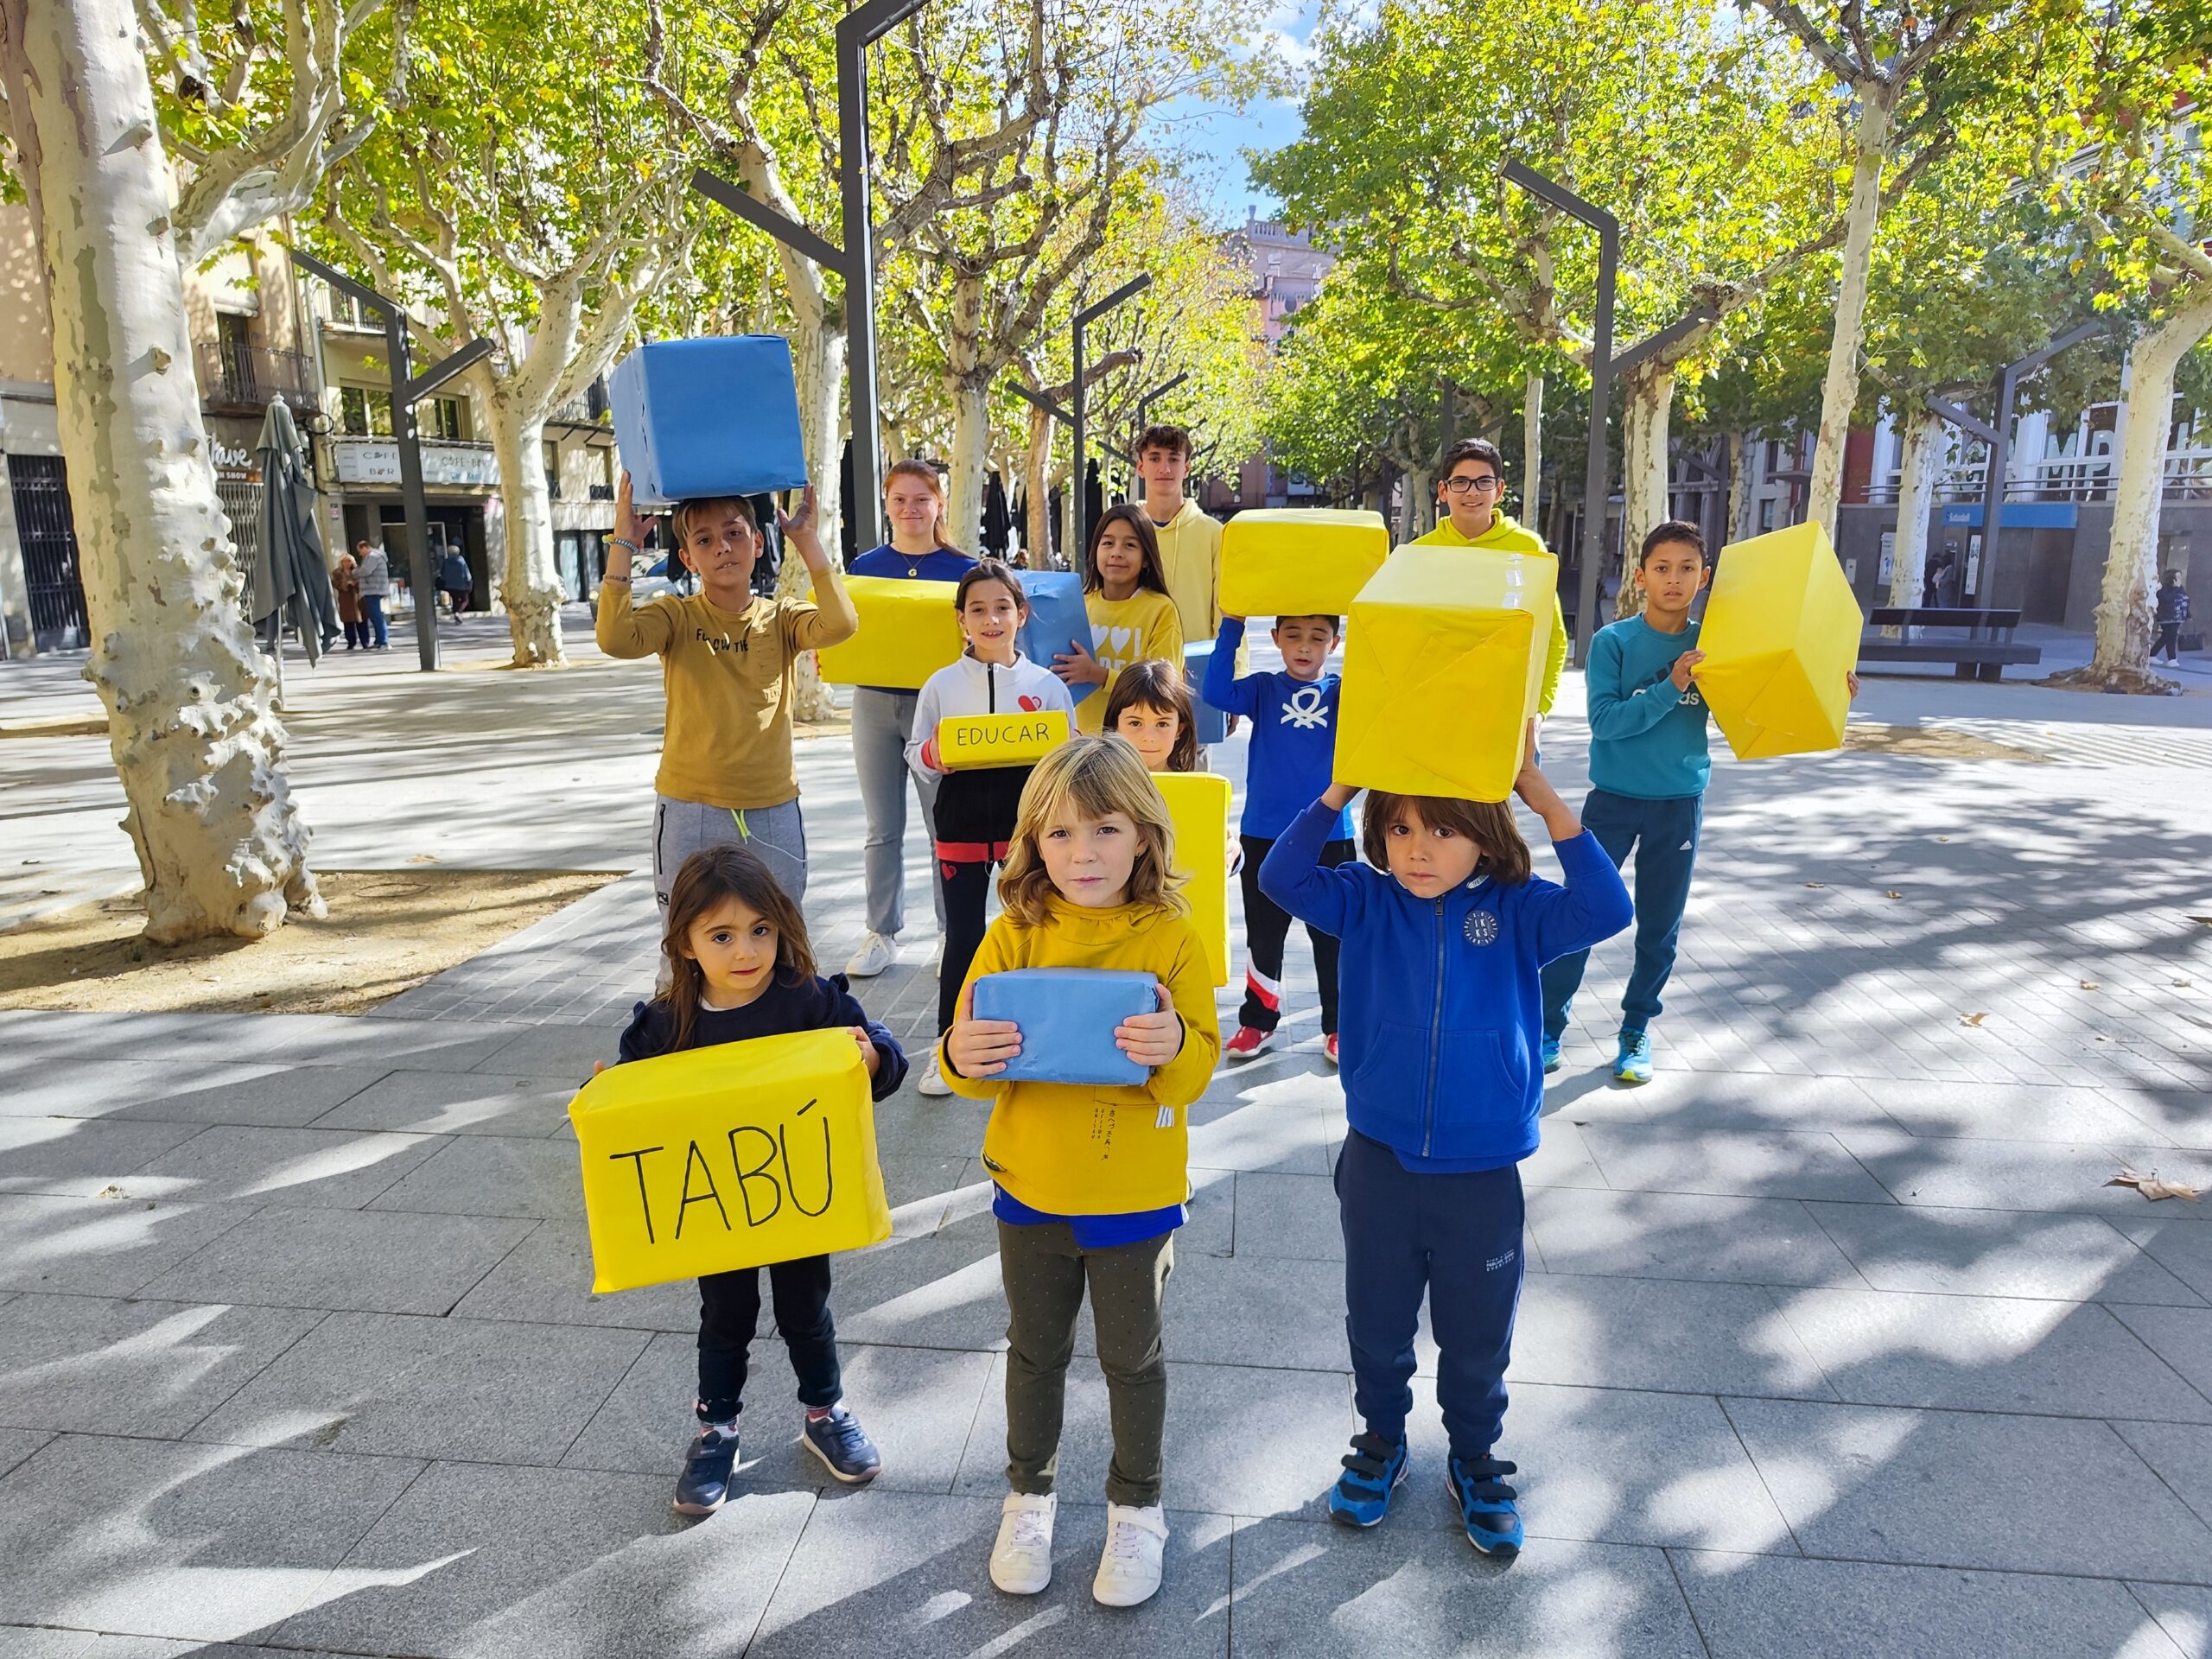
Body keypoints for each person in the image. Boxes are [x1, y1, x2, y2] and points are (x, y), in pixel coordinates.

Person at [1260, 760, 1631, 1560]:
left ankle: (1474, 1457)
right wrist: (1339, 788)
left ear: (1487, 838)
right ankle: (1381, 1440)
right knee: (1379, 1319)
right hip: (1381, 1161)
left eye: (1443, 828)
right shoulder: (1363, 900)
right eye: (1399, 829)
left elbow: (1608, 907)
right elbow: (1280, 875)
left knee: (1476, 1332)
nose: (1417, 849)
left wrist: (1534, 788)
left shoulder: (1520, 909)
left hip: (1482, 1171)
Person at [940, 738, 1220, 1608]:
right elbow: (961, 1053)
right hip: (1029, 1188)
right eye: (1058, 834)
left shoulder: (1173, 936)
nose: (1082, 852)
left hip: (1134, 1198)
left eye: (1103, 828)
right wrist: (960, 1052)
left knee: (1131, 1360)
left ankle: (1137, 1509)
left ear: (1143, 834)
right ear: (1032, 843)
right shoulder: (1012, 933)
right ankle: (1029, 1494)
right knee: (1033, 1350)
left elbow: (1199, 1060)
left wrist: (1175, 1045)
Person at [610, 845, 904, 1515]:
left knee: (807, 1309)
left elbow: (883, 1058)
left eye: (760, 930)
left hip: (799, 1200)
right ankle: (716, 1430)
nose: (746, 951)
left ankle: (825, 1411)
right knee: (725, 1316)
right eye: (721, 935)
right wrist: (606, 1100)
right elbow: (626, 1100)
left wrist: (872, 1057)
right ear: (684, 943)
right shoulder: (666, 1025)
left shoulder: (806, 1000)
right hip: (716, 1210)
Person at [1538, 521, 1858, 1084]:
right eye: (1662, 568)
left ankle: (1636, 1032)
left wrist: (1830, 687)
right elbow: (1605, 723)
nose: (1674, 579)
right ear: (1640, 577)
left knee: (1660, 928)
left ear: (1705, 578)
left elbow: (1768, 711)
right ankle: (1546, 1028)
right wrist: (1673, 685)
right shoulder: (1613, 643)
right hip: (1610, 802)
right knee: (1578, 916)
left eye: (1687, 569)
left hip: (1678, 805)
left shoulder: (1722, 645)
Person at [597, 471, 857, 909]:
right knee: (685, 939)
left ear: (757, 543)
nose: (722, 547)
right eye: (704, 540)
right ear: (687, 557)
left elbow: (842, 624)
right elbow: (615, 639)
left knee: (783, 929)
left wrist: (807, 542)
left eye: (734, 533)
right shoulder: (674, 616)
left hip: (773, 803)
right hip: (690, 806)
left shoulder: (782, 618)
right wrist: (623, 543)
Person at [904, 561, 1076, 1096]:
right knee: (964, 937)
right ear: (962, 620)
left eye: (1002, 607)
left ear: (1021, 615)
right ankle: (947, 1048)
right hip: (959, 827)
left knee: (1035, 930)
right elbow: (916, 753)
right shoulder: (940, 685)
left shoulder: (1046, 685)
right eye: (977, 609)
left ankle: (1038, 1041)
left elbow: (1070, 755)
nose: (991, 619)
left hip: (1029, 832)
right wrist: (935, 753)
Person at [843, 461, 976, 980]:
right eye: (899, 500)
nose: (910, 509)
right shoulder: (865, 566)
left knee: (942, 824)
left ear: (939, 503)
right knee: (882, 827)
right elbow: (844, 631)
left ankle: (953, 932)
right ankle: (881, 933)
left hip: (938, 707)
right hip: (874, 704)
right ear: (887, 504)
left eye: (921, 499)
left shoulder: (962, 568)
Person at [1204, 611, 1356, 1064]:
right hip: (1265, 833)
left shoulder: (1344, 691)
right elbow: (1215, 692)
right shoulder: (1263, 689)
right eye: (1292, 636)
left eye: (1317, 637)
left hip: (1329, 832)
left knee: (1332, 934)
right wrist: (1232, 625)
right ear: (1275, 638)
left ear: (1334, 642)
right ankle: (1257, 1022)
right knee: (1264, 934)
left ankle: (1339, 1026)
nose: (1304, 646)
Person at [1410, 439, 1567, 724]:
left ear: (1499, 490)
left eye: (1483, 482)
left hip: (1510, 714)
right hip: (1438, 713)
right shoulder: (1419, 553)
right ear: (1443, 491)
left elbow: (1552, 635)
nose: (1472, 491)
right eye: (1461, 482)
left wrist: (1539, 710)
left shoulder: (1527, 548)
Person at [1053, 505, 1182, 735]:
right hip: (1080, 742)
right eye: (1108, 543)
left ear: (1146, 558)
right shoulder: (1078, 604)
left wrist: (1098, 675)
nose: (1117, 553)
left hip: (1136, 747)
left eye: (1130, 545)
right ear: (1095, 551)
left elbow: (1163, 687)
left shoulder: (1161, 610)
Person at [1103, 658, 1199, 773]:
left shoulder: (1195, 788)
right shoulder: (1092, 788)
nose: (1149, 737)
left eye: (1162, 724)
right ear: (1115, 726)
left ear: (1179, 730)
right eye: (1135, 723)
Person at [353, 539, 391, 651]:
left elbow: (366, 571)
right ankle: (379, 641)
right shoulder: (374, 556)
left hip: (373, 589)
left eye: (360, 551)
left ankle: (383, 641)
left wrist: (355, 572)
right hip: (374, 589)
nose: (360, 554)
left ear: (365, 547)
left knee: (377, 616)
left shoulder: (373, 556)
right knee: (375, 616)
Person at [332, 548, 367, 651]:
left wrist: (356, 583)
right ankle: (351, 642)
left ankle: (365, 641)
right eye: (344, 561)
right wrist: (346, 584)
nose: (346, 563)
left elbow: (364, 581)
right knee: (348, 623)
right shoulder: (337, 573)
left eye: (348, 561)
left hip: (358, 598)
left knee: (362, 621)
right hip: (346, 599)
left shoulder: (358, 571)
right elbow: (335, 583)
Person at [2156, 569, 2190, 664]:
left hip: (2177, 617)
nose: (2180, 580)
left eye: (2180, 577)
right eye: (2177, 577)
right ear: (2172, 579)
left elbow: (2185, 601)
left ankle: (2152, 654)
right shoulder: (2164, 590)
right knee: (2171, 637)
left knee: (2166, 637)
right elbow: (2166, 599)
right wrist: (2175, 588)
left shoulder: (2180, 589)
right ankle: (2172, 659)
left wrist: (2188, 614)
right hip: (2167, 618)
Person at [437, 548, 473, 619]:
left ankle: (456, 614)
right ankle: (458, 612)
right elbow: (467, 573)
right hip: (462, 585)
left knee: (455, 599)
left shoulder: (446, 561)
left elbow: (442, 573)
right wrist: (469, 581)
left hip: (450, 585)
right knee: (465, 600)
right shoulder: (461, 561)